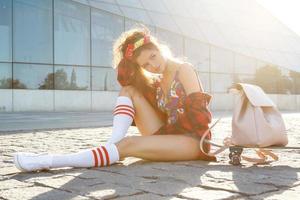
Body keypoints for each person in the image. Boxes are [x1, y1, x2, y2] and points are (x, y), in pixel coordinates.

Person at [13, 27, 216, 172]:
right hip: (168, 133)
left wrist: (166, 135)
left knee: (127, 144)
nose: (153, 66)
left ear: (159, 48)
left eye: (153, 56)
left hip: (192, 140)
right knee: (129, 90)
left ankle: (48, 161)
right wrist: (131, 62)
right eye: (145, 65)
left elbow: (200, 116)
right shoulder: (157, 81)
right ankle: (112, 146)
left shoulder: (184, 69)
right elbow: (126, 79)